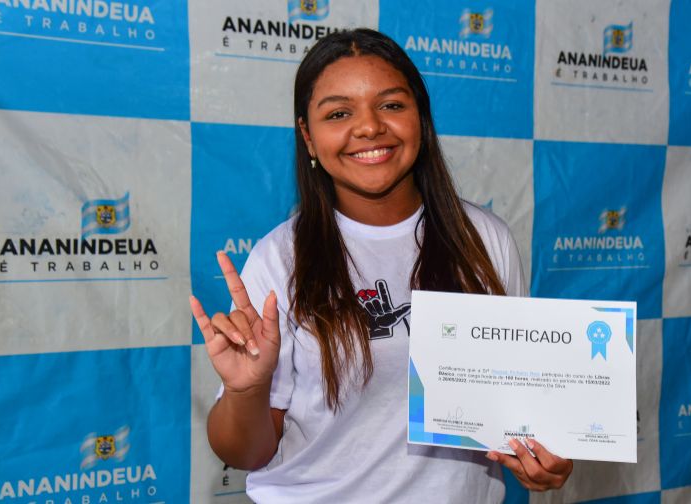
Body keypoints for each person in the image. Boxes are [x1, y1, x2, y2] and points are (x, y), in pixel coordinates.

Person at [189, 28, 573, 503]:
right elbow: (246, 453)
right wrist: (246, 390)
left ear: (421, 120)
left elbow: (517, 406)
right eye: (339, 113)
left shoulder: (483, 239)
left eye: (391, 105)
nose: (369, 127)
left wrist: (544, 456)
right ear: (309, 138)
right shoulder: (279, 259)